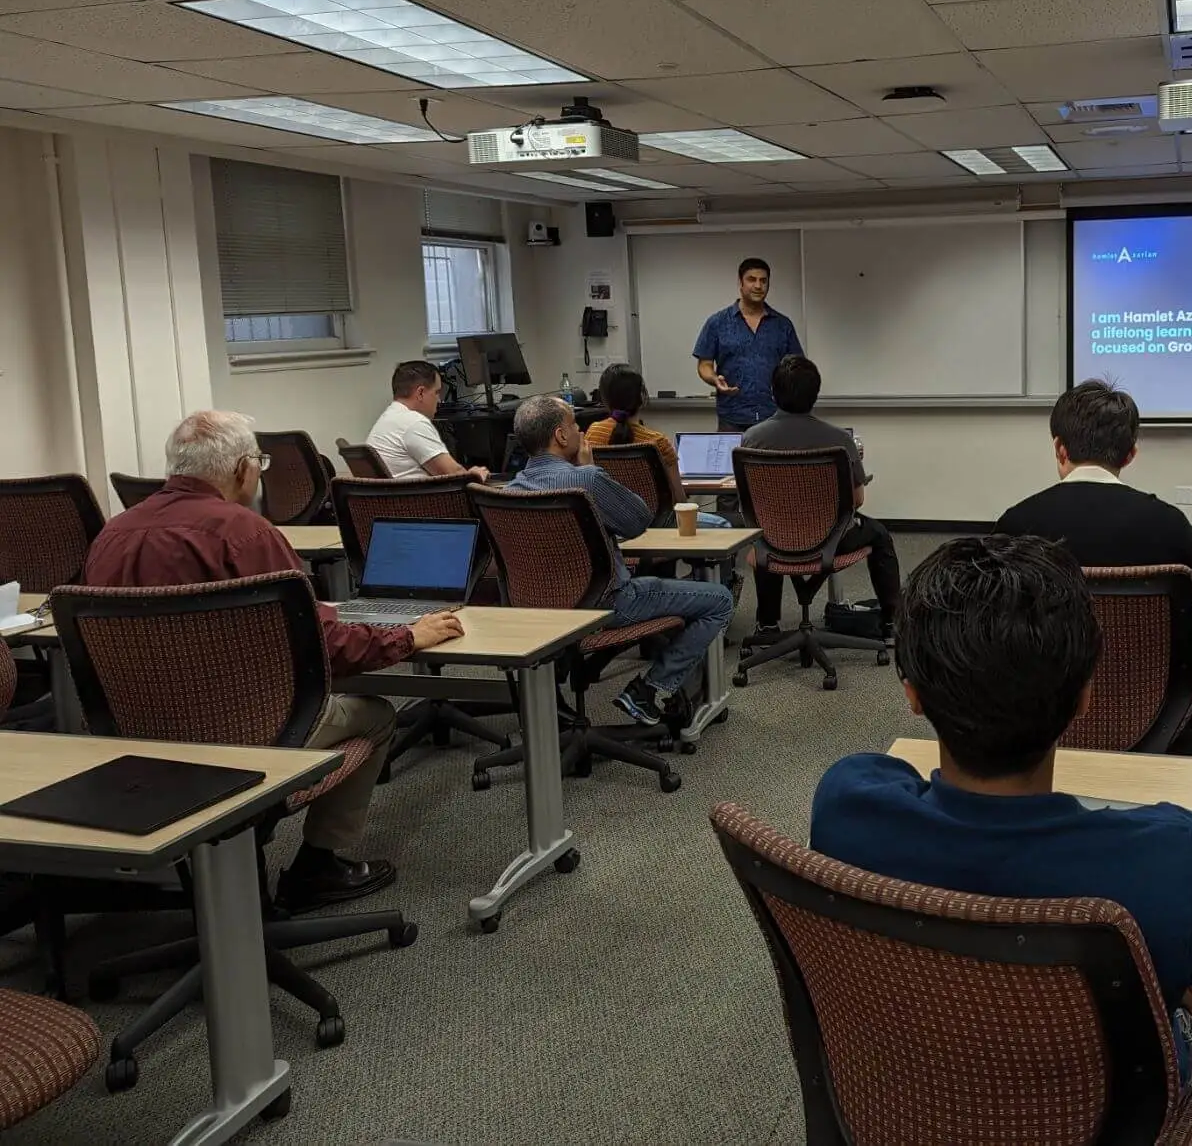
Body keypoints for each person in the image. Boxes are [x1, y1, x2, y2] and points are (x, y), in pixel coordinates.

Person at [810, 536, 1192, 1090]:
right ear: (1086, 696)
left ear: (912, 696)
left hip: (913, 1089)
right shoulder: (1180, 855)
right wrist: (1158, 969)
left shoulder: (846, 803)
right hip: (1100, 1103)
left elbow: (902, 785)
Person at [84, 411, 466, 910]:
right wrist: (407, 638)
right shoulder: (245, 534)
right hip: (244, 727)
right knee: (373, 714)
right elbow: (326, 650)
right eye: (259, 464)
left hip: (140, 735)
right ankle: (316, 865)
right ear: (243, 469)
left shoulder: (112, 535)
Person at [995, 379, 1192, 754]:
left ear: (1058, 446)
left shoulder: (1014, 525)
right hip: (1162, 723)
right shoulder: (1171, 526)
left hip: (1038, 723)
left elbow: (996, 632)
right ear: (1130, 454)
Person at [506, 394, 734, 725]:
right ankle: (648, 689)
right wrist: (588, 468)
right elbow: (639, 522)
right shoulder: (586, 479)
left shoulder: (510, 490)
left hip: (543, 612)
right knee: (719, 601)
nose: (581, 430)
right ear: (560, 436)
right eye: (574, 424)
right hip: (607, 603)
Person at [739, 355, 899, 645]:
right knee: (879, 535)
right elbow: (857, 499)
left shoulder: (751, 439)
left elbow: (749, 505)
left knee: (763, 535)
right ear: (816, 394)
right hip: (829, 540)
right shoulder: (840, 439)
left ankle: (767, 626)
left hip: (774, 541)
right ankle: (891, 623)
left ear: (773, 392)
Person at [583, 363, 725, 528]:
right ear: (642, 398)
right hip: (657, 524)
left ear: (605, 398)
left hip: (614, 525)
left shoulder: (593, 433)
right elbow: (680, 500)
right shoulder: (657, 441)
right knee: (722, 524)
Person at [693, 257, 803, 434]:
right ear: (740, 282)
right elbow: (704, 365)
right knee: (732, 462)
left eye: (763, 281)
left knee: (774, 463)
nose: (758, 286)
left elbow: (797, 366)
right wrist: (714, 379)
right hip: (732, 416)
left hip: (774, 416)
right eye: (752, 279)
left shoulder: (783, 325)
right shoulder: (717, 323)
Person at [366, 360, 488, 482]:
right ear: (420, 393)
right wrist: (475, 475)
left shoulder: (388, 418)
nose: (439, 400)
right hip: (420, 499)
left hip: (396, 497)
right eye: (436, 392)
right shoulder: (413, 423)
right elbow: (455, 476)